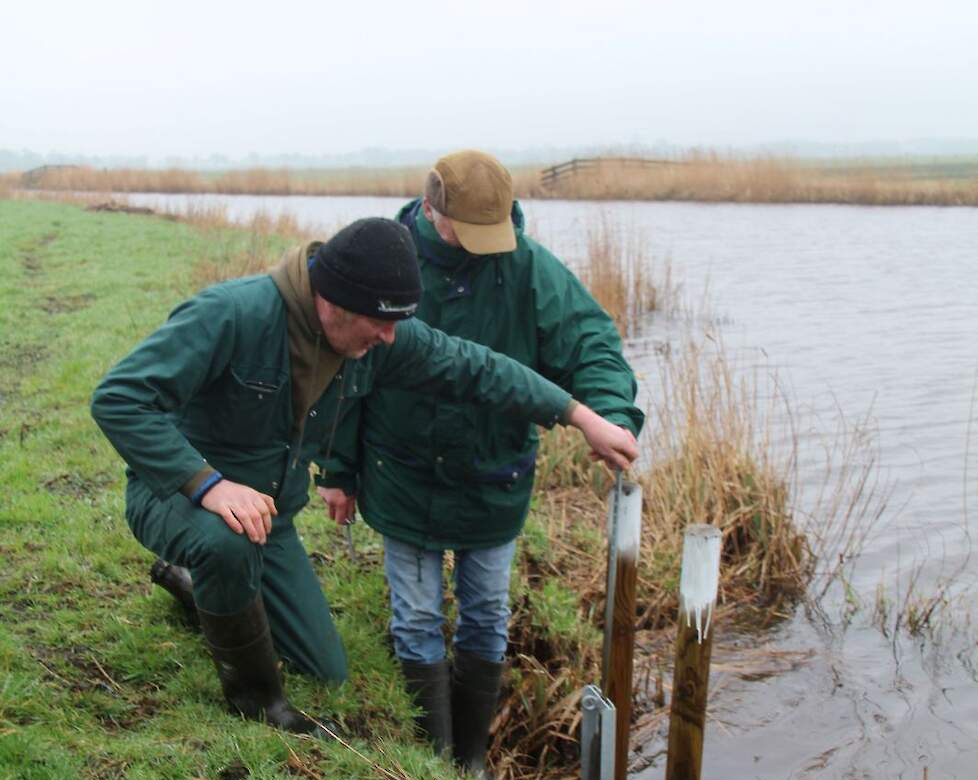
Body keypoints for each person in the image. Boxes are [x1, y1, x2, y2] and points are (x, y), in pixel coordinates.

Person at [90, 217, 637, 736]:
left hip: (268, 520)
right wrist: (207, 484)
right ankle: (258, 703)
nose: (390, 337)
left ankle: (197, 588)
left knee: (325, 669)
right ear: (332, 302)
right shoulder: (232, 313)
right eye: (381, 322)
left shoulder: (376, 340)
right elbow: (119, 399)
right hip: (178, 497)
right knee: (224, 545)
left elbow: (479, 368)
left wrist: (580, 416)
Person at [318, 155, 643, 775]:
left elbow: (591, 343)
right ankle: (435, 765)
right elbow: (346, 374)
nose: (483, 248)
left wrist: (612, 413)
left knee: (487, 616)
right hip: (401, 473)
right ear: (431, 210)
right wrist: (338, 470)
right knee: (414, 616)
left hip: (495, 476)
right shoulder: (385, 263)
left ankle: (469, 765)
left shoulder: (528, 267)